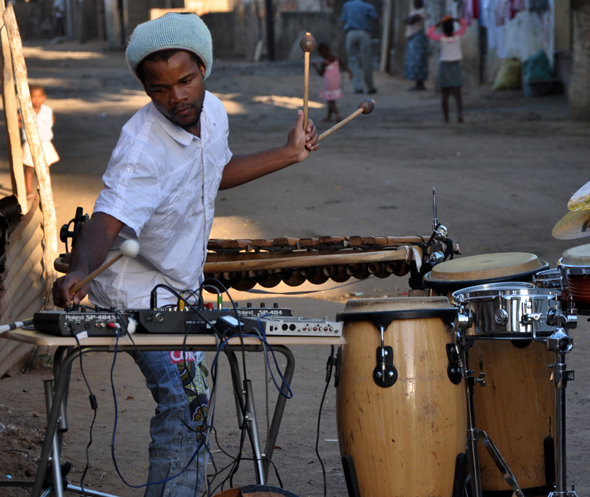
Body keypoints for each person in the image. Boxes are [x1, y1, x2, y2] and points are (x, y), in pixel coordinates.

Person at [53, 13, 318, 497]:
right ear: (145, 89)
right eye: (160, 89)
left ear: (204, 69)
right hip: (134, 297)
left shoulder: (213, 111)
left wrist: (288, 154)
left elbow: (214, 171)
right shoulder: (141, 147)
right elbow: (107, 218)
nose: (176, 97)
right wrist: (83, 268)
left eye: (186, 81)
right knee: (185, 407)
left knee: (194, 407)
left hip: (180, 290)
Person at [20, 85, 59, 199]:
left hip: (44, 143)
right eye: (33, 97)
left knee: (44, 168)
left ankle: (46, 190)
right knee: (30, 168)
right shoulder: (26, 110)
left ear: (44, 97)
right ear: (29, 98)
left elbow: (52, 119)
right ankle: (29, 191)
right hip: (30, 143)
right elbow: (19, 119)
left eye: (39, 96)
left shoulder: (47, 110)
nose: (36, 99)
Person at [427, 16, 468, 123]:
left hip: (445, 66)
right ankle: (460, 114)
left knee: (445, 95)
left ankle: (446, 117)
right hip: (455, 66)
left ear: (444, 29)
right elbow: (465, 24)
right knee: (457, 94)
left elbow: (429, 33)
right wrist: (455, 19)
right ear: (453, 28)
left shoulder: (442, 38)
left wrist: (439, 23)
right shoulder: (458, 36)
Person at [341, 0, 378, 95]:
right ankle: (370, 87)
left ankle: (358, 87)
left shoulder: (347, 5)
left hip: (351, 33)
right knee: (367, 61)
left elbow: (344, 19)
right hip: (364, 33)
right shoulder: (368, 6)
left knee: (353, 61)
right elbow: (375, 18)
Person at [312, 42, 352, 122]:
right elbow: (344, 65)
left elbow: (321, 73)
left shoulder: (324, 63)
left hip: (329, 83)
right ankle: (329, 116)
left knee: (331, 100)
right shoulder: (336, 58)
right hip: (336, 82)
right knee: (330, 99)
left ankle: (337, 114)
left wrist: (315, 66)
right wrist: (350, 72)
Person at [403, 0, 428, 91]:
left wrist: (409, 18)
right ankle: (418, 83)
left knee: (418, 61)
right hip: (412, 37)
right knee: (413, 61)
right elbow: (406, 20)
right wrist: (409, 18)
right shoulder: (414, 11)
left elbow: (410, 21)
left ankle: (420, 84)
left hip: (419, 37)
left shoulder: (422, 11)